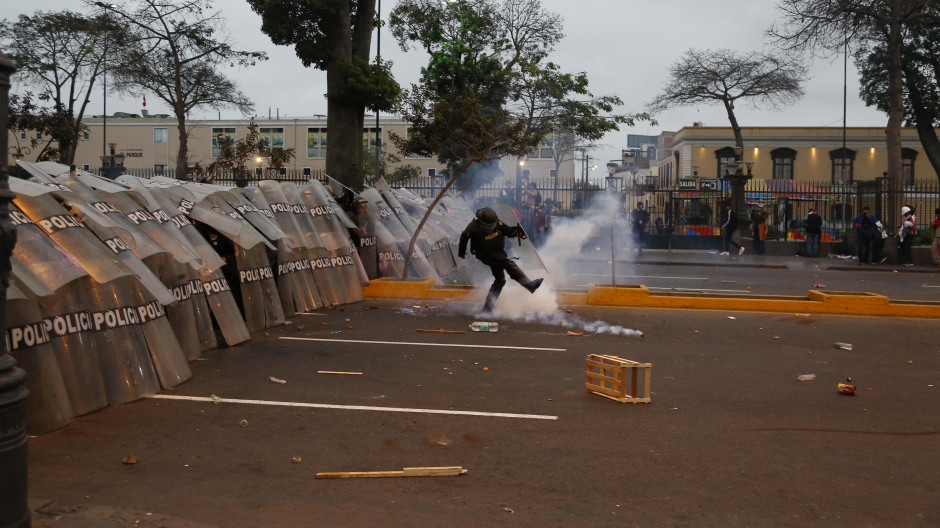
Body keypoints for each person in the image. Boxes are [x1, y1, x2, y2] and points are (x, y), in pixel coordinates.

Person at [458, 207, 543, 313]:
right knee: (509, 264)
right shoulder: (473, 227)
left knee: (500, 281)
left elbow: (507, 230)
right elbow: (463, 238)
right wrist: (461, 252)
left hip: (498, 253)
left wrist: (516, 232)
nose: (490, 227)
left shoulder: (497, 222)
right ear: (481, 221)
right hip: (485, 255)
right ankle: (529, 285)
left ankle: (487, 309)